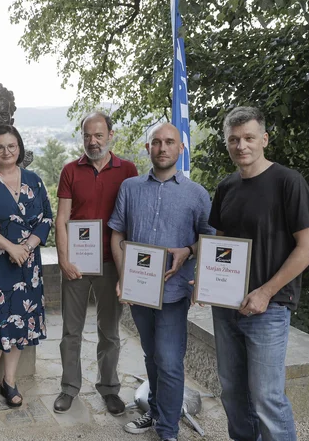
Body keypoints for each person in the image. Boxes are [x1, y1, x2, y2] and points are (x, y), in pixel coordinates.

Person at [209, 107, 309, 441]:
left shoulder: (288, 182)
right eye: (234, 139)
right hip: (227, 306)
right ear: (227, 144)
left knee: (267, 399)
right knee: (232, 393)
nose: (241, 145)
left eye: (249, 138)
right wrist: (209, 280)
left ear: (264, 140)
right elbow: (222, 243)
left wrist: (265, 292)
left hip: (268, 309)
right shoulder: (226, 186)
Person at [108, 123, 214, 441]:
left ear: (181, 148)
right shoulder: (130, 188)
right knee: (151, 356)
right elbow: (117, 235)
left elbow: (210, 240)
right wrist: (124, 275)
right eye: (156, 142)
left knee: (169, 361)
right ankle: (155, 412)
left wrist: (190, 252)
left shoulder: (196, 194)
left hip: (174, 292)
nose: (163, 147)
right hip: (140, 292)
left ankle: (167, 431)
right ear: (148, 148)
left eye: (170, 142)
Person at [54, 111, 138, 415]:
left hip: (111, 262)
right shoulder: (70, 170)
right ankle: (69, 388)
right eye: (87, 135)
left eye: (98, 135)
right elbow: (62, 219)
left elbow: (132, 220)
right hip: (77, 263)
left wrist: (129, 268)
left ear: (110, 136)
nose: (92, 141)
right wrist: (63, 260)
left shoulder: (128, 169)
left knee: (109, 331)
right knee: (71, 332)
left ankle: (109, 388)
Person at [0, 124, 53, 409]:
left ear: (20, 148)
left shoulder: (34, 180)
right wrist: (10, 247)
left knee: (19, 326)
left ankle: (10, 382)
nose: (6, 151)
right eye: (0, 147)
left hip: (27, 267)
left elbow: (46, 219)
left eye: (11, 146)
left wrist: (26, 247)